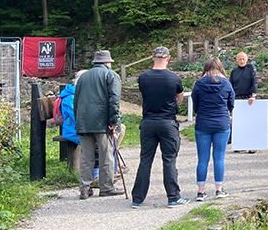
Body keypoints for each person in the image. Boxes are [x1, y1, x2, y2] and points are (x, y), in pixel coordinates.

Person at [131, 46, 188, 209]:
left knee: (145, 160)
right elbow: (180, 97)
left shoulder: (143, 78)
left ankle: (137, 199)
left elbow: (144, 95)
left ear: (152, 58)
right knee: (169, 160)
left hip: (148, 121)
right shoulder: (174, 78)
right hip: (167, 122)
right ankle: (173, 197)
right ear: (168, 59)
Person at [74, 50, 123, 199]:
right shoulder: (111, 75)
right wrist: (114, 121)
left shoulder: (83, 77)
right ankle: (106, 187)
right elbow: (114, 101)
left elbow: (76, 101)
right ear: (108, 63)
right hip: (102, 122)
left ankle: (85, 188)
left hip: (83, 121)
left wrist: (79, 120)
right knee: (106, 156)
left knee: (86, 156)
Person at [191, 57, 235, 201]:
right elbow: (231, 103)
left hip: (203, 123)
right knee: (219, 157)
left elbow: (195, 104)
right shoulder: (226, 84)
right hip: (221, 123)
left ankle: (201, 191)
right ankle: (219, 189)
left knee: (202, 159)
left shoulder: (198, 84)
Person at [229, 51, 257, 153]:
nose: (241, 61)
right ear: (236, 60)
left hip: (249, 99)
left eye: (243, 59)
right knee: (238, 124)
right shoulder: (234, 72)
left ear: (247, 59)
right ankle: (239, 145)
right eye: (240, 59)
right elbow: (230, 86)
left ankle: (252, 146)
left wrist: (253, 95)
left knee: (249, 123)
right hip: (237, 100)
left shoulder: (251, 69)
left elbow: (254, 82)